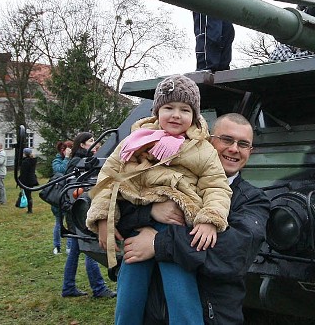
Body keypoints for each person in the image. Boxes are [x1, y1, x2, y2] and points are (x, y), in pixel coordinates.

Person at [86, 75, 232, 325]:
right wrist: (103, 219)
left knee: (181, 294)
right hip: (138, 221)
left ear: (195, 115)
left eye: (185, 109)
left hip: (177, 227)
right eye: (168, 107)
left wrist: (210, 219)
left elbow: (217, 187)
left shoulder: (202, 148)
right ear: (156, 111)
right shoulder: (135, 141)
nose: (176, 115)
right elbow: (108, 178)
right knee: (129, 295)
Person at [119, 113, 270, 325]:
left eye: (243, 144)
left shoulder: (252, 200)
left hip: (211, 318)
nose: (234, 149)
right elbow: (119, 215)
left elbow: (232, 254)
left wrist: (158, 243)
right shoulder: (168, 180)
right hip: (152, 315)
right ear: (209, 141)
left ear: (250, 152)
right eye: (226, 139)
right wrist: (150, 212)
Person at [60, 132, 116, 298]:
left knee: (77, 250)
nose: (94, 143)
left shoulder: (81, 160)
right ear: (83, 144)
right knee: (90, 248)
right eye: (91, 141)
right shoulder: (79, 162)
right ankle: (98, 288)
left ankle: (68, 287)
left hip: (77, 209)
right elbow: (74, 186)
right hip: (79, 210)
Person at [51, 140, 74, 254]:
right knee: (59, 222)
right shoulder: (57, 161)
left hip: (69, 195)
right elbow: (61, 171)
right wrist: (66, 158)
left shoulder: (72, 160)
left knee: (70, 222)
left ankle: (69, 247)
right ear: (63, 150)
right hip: (59, 196)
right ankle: (57, 246)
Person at [18, 147, 39, 213]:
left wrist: (21, 182)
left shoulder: (25, 162)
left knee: (28, 195)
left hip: (26, 180)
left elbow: (24, 173)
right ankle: (29, 209)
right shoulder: (32, 160)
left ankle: (30, 210)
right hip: (31, 179)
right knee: (28, 194)